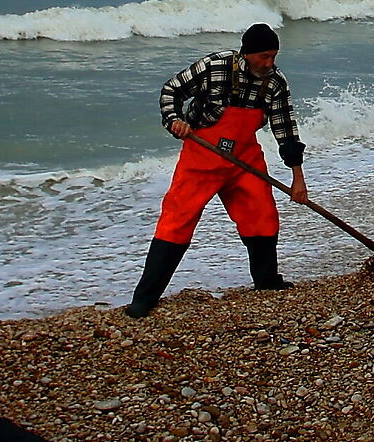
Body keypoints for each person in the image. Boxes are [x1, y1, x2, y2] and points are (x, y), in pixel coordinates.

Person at [123, 23, 309, 318]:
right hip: (202, 157)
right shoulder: (215, 65)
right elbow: (171, 89)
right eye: (264, 56)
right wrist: (174, 121)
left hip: (243, 161)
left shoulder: (275, 82)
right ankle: (144, 298)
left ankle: (267, 283)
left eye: (274, 56)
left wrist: (298, 178)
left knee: (262, 216)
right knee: (176, 220)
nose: (270, 63)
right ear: (246, 53)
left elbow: (285, 130)